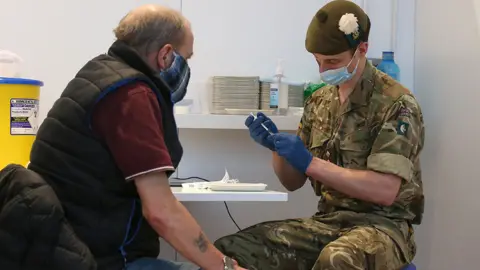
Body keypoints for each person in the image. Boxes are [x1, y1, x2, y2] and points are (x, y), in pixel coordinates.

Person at [26, 5, 244, 270]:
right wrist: (226, 267)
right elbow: (161, 212)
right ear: (165, 55)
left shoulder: (100, 72)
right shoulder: (132, 96)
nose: (185, 68)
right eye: (185, 58)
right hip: (100, 259)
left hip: (61, 246)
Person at [214, 1, 425, 269]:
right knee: (229, 250)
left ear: (362, 49)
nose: (324, 71)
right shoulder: (319, 102)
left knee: (337, 259)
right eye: (318, 61)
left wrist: (311, 163)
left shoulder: (397, 103)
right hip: (328, 222)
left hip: (384, 228)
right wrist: (277, 148)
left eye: (333, 61)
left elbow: (385, 190)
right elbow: (293, 182)